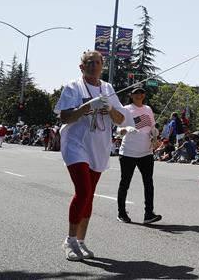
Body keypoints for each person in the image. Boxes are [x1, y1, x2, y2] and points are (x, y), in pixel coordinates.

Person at [54, 50, 129, 262]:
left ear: (102, 66)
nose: (94, 65)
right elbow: (65, 117)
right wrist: (87, 106)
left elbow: (120, 118)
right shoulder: (73, 87)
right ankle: (69, 240)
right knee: (83, 191)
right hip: (76, 144)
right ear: (82, 67)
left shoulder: (108, 88)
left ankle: (81, 241)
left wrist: (109, 107)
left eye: (98, 62)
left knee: (90, 194)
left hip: (98, 145)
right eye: (90, 62)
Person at [116, 85, 162, 225]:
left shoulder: (148, 109)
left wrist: (154, 133)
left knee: (149, 184)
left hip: (146, 152)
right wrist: (126, 129)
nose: (139, 95)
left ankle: (148, 214)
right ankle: (121, 213)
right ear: (131, 95)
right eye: (136, 93)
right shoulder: (126, 109)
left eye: (141, 93)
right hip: (128, 152)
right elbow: (118, 130)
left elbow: (151, 128)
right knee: (125, 183)